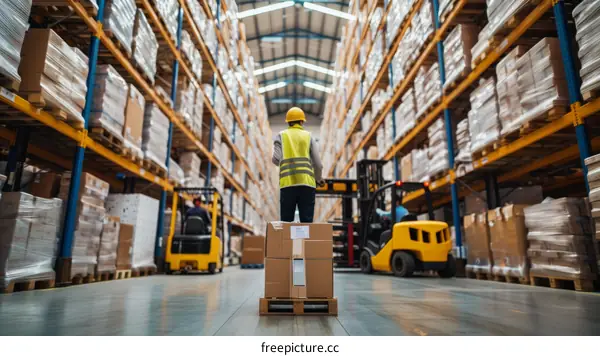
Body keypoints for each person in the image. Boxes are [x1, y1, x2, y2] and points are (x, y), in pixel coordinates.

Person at [272, 107, 325, 223]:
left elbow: (275, 160)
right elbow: (318, 164)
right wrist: (319, 179)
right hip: (307, 185)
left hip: (287, 185)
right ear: (302, 121)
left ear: (288, 122)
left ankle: (288, 242)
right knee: (307, 224)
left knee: (286, 224)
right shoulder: (309, 136)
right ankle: (304, 241)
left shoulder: (281, 136)